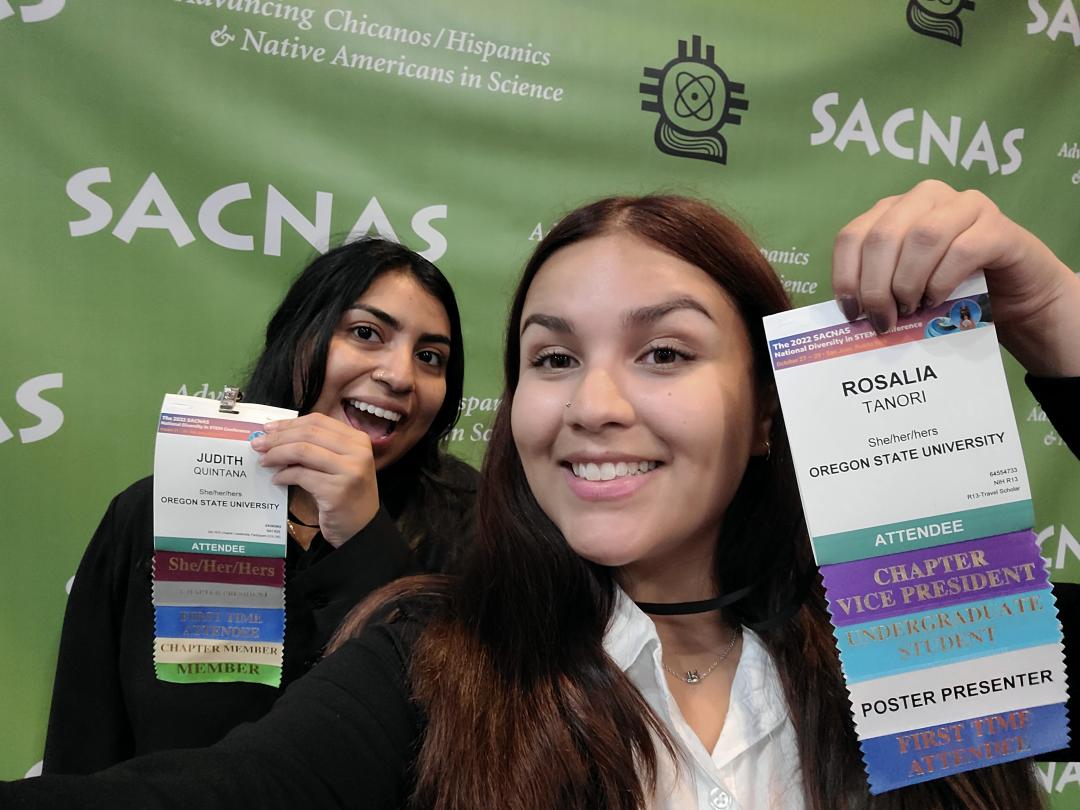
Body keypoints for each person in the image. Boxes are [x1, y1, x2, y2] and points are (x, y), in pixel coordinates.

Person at [9, 180, 1079, 808]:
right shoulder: (439, 657)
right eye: (552, 359)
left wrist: (1060, 318)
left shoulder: (925, 630)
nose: (591, 406)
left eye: (663, 353)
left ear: (763, 415)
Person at [41, 237, 477, 774]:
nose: (400, 375)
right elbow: (82, 752)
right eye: (366, 333)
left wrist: (367, 539)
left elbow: (464, 739)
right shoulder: (152, 514)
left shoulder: (473, 524)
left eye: (429, 357)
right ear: (297, 338)